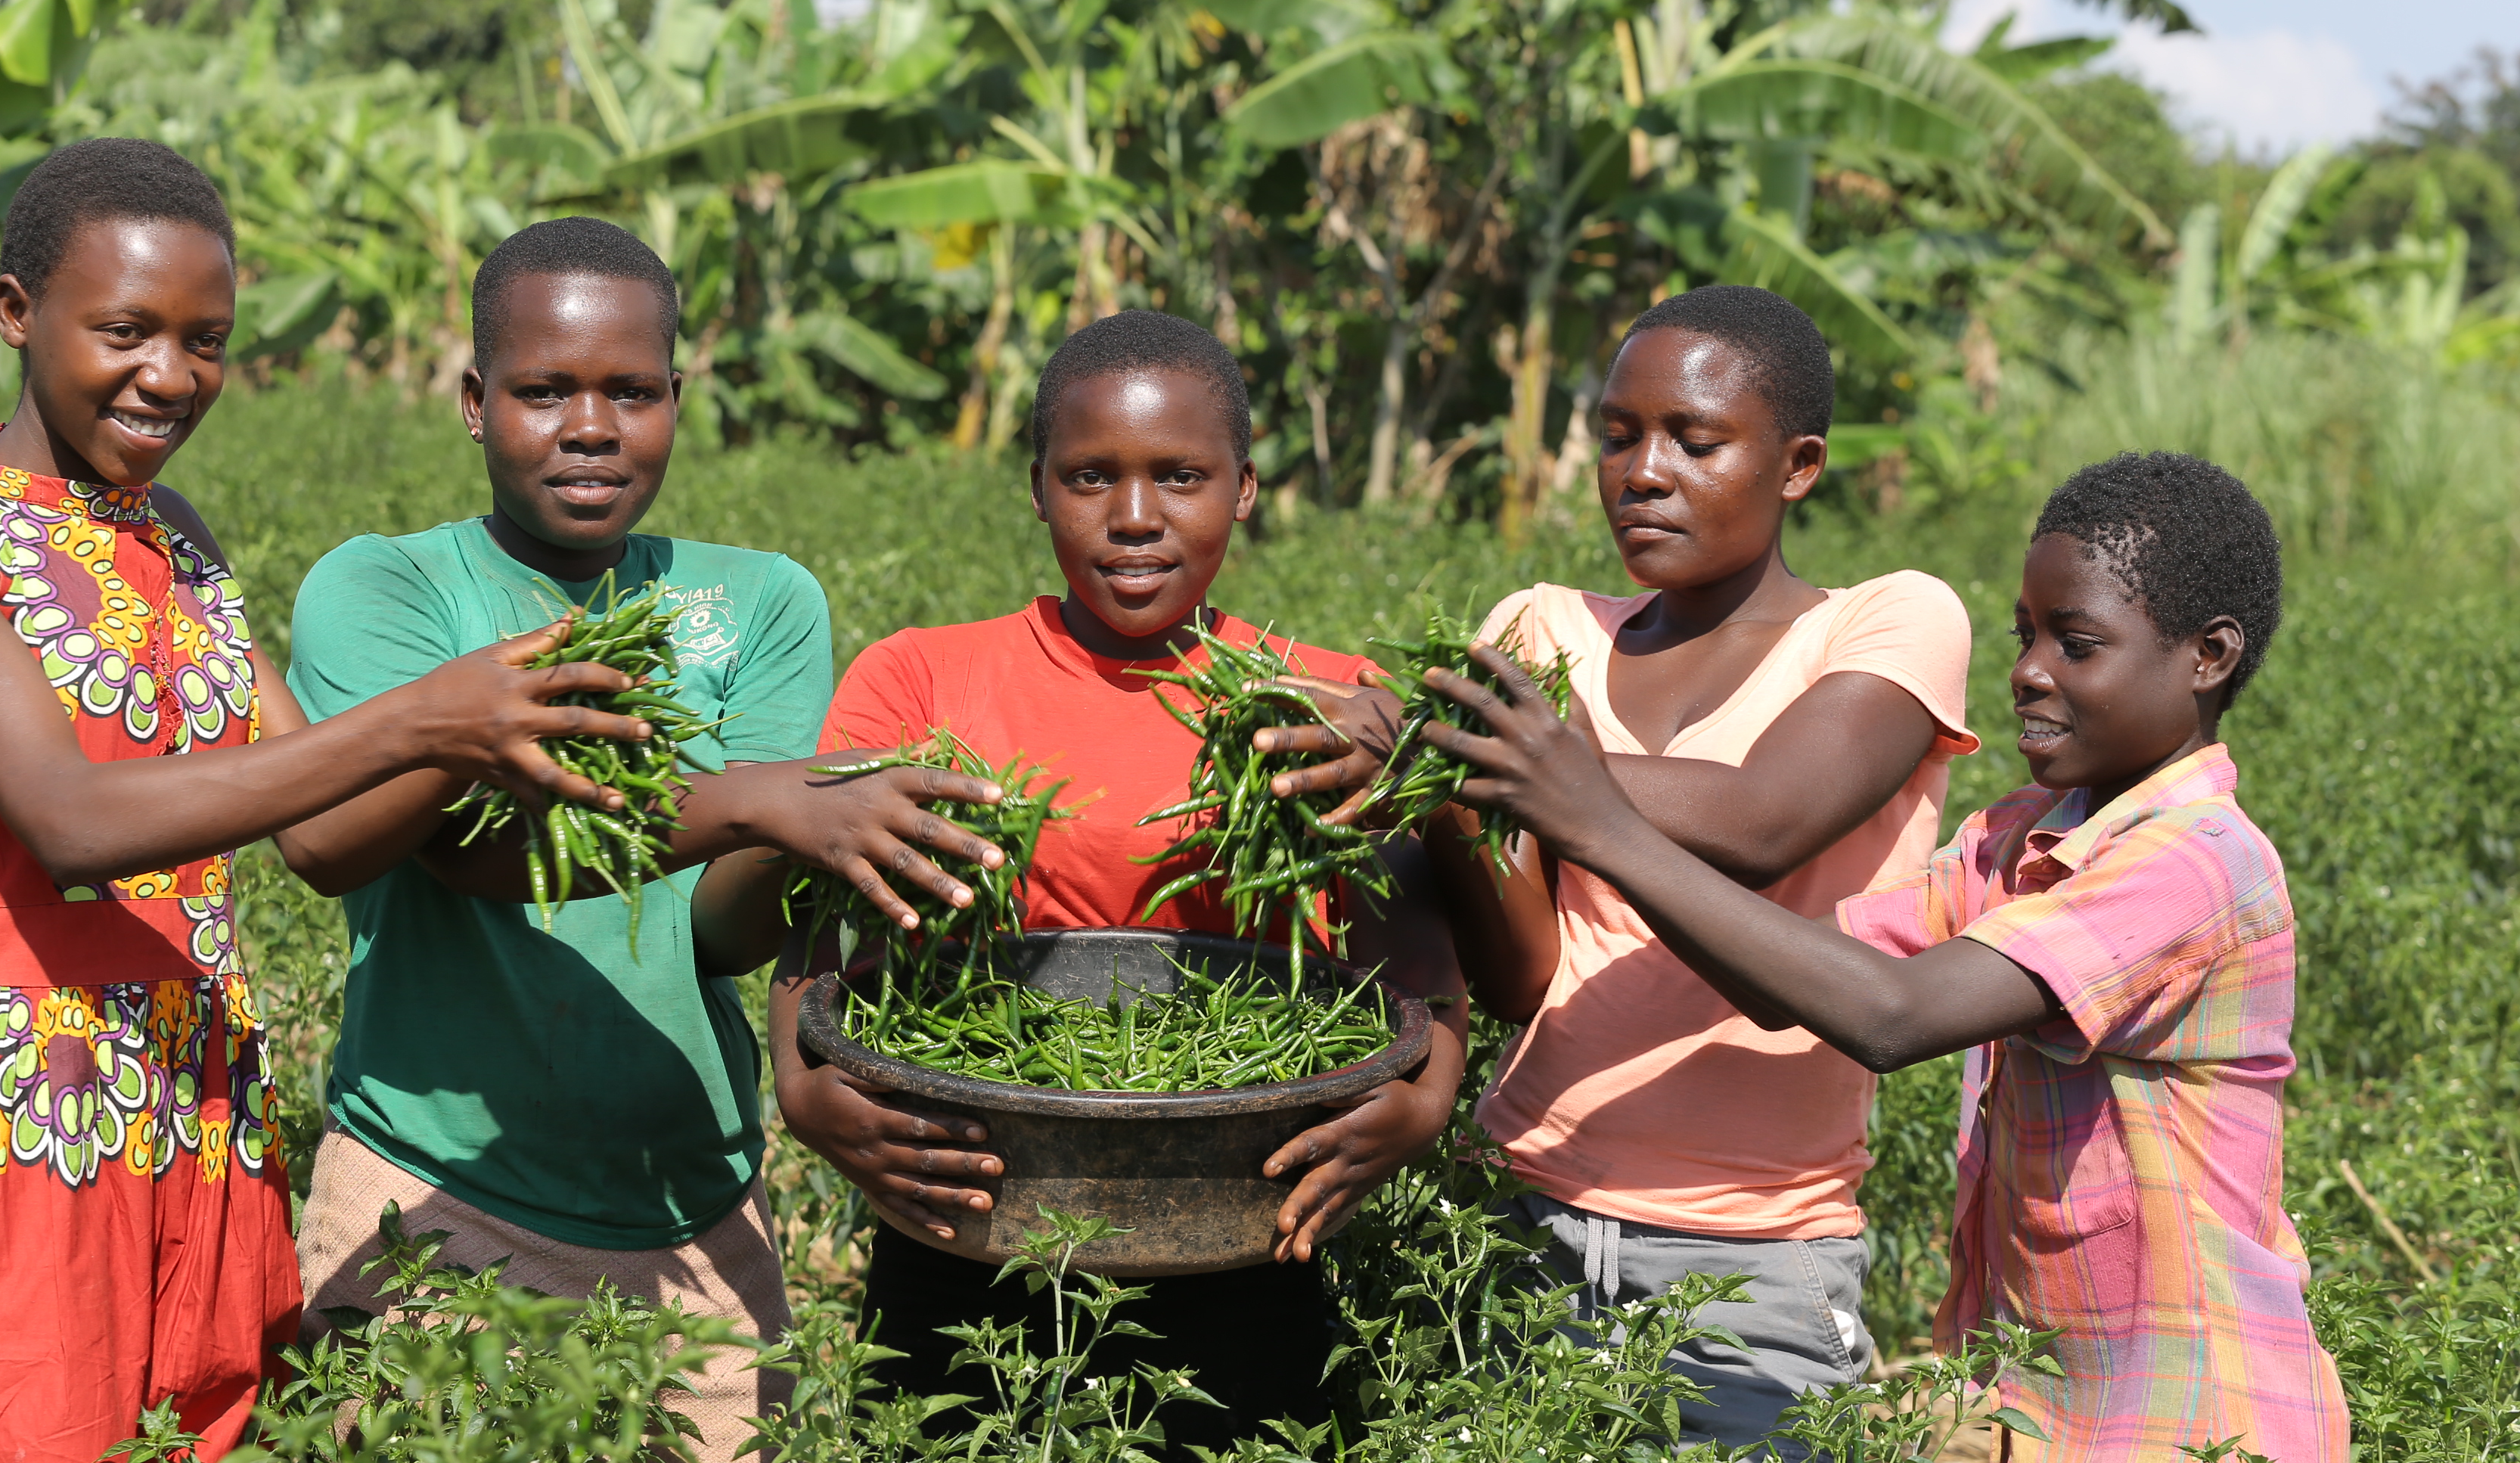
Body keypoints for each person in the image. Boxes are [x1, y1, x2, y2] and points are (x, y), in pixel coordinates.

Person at [0, 141, 655, 1461]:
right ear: (18, 315)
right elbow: (68, 824)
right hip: (10, 1115)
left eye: (207, 341)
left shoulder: (174, 535)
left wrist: (501, 749)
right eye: (126, 331)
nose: (170, 377)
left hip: (195, 1106)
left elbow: (319, 839)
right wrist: (426, 716)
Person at [1421, 451, 2348, 1461]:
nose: (2030, 670)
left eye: (2077, 645)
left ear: (2209, 656)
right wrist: (1524, 809)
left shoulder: (2198, 864)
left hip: (2195, 1416)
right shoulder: (2022, 835)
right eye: (2025, 635)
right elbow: (1796, 988)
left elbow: (1891, 1017)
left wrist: (1602, 823)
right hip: (2037, 1408)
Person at [278, 216, 1007, 1460]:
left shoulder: (763, 600)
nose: (590, 427)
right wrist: (757, 799)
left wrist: (832, 843)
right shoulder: (386, 588)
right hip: (424, 1194)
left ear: (678, 398)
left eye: (631, 392)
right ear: (473, 399)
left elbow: (721, 931)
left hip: (688, 1212)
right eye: (544, 391)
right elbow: (410, 846)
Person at [770, 310, 1468, 1449]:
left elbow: (1416, 937)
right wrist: (801, 1080)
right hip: (973, 1213)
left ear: (1244, 488)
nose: (1135, 518)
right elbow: (822, 899)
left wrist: (1429, 1090)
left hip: (1251, 1219)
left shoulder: (1324, 703)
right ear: (1037, 486)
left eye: (1181, 477)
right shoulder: (925, 678)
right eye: (1091, 476)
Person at [1381, 286, 1981, 1446]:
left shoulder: (1884, 623)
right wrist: (1432, 793)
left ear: (1798, 465)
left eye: (1694, 442)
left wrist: (1475, 754)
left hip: (1753, 1268)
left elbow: (1764, 819)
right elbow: (1524, 979)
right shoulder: (1543, 630)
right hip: (1518, 1226)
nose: (1642, 472)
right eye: (1617, 435)